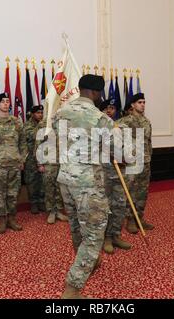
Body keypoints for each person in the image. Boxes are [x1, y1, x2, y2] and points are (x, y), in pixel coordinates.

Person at [54, 74, 112, 299]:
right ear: (97, 93)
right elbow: (116, 149)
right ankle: (73, 289)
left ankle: (90, 260)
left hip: (65, 179)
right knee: (94, 236)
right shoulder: (101, 118)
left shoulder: (60, 112)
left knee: (77, 225)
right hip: (88, 183)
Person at [0, 93, 27, 234]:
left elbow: (23, 143)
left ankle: (12, 219)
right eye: (3, 101)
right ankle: (2, 219)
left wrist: (22, 159)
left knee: (13, 194)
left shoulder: (16, 122)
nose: (6, 104)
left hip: (14, 164)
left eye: (8, 101)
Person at [98, 99, 132, 254]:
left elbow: (130, 147)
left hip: (120, 173)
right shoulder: (96, 127)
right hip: (104, 174)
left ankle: (116, 235)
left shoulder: (122, 127)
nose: (109, 111)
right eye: (106, 108)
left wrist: (125, 156)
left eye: (112, 108)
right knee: (105, 208)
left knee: (119, 206)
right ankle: (106, 238)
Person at [118, 93, 154, 234]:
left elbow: (149, 142)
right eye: (140, 102)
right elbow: (116, 140)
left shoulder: (146, 121)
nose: (143, 104)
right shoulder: (124, 122)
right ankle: (130, 220)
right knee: (131, 192)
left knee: (142, 192)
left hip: (145, 162)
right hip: (132, 164)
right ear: (132, 105)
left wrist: (149, 156)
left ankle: (139, 217)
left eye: (144, 102)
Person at [35, 119, 68, 224]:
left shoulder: (64, 122)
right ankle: (51, 212)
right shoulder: (43, 123)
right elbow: (38, 144)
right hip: (48, 161)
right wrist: (39, 163)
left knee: (59, 188)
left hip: (62, 161)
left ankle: (58, 211)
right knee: (49, 187)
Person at [23, 105, 46, 214]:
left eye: (41, 113)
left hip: (43, 157)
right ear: (32, 114)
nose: (40, 115)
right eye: (37, 113)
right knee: (32, 181)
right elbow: (34, 135)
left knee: (42, 181)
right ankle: (33, 203)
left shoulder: (44, 124)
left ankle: (41, 201)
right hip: (31, 158)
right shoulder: (27, 125)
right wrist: (41, 127)